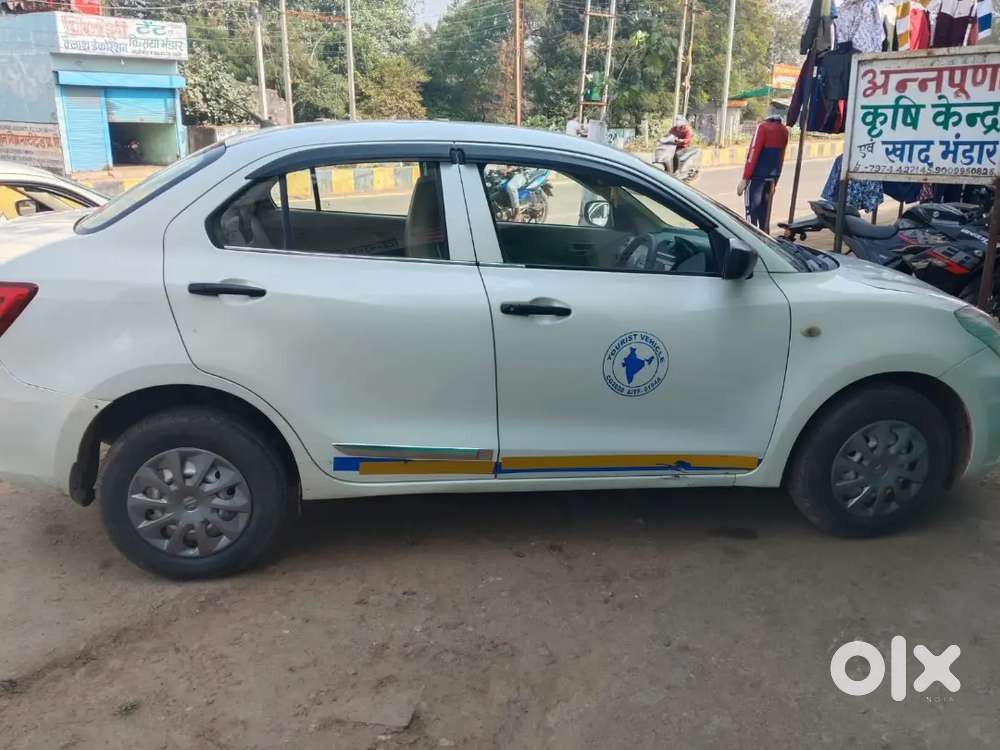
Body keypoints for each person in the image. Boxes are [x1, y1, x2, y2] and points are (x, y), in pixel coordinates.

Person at [737, 114, 789, 231]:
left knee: (752, 215)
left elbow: (753, 152)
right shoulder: (784, 130)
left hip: (756, 178)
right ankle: (765, 241)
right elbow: (781, 157)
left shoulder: (762, 127)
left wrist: (745, 178)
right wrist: (776, 181)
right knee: (765, 216)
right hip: (772, 178)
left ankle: (752, 240)